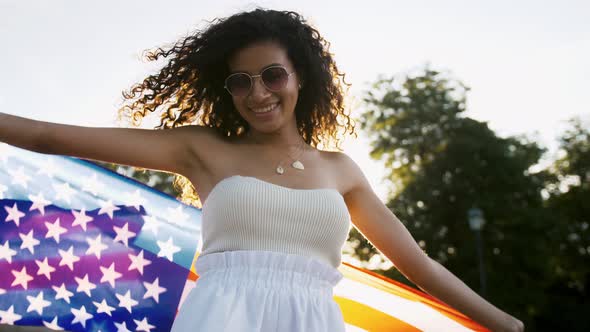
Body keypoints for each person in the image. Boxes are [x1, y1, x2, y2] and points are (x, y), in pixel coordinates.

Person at [0, 8, 524, 332]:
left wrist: (504, 324)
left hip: (314, 322)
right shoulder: (201, 149)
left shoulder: (342, 171)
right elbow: (50, 136)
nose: (258, 93)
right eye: (240, 82)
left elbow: (422, 266)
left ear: (300, 77)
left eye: (272, 75)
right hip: (221, 318)